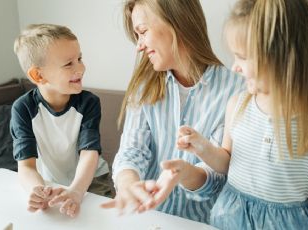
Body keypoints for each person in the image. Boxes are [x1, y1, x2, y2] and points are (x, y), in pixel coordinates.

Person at [154, 0, 308, 229]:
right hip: (230, 219)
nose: (235, 68)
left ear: (283, 59)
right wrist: (202, 147)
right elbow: (227, 162)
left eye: (242, 56)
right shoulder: (237, 106)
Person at [100, 0, 245, 224]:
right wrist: (128, 185)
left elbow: (217, 176)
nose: (139, 45)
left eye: (143, 32)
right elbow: (132, 150)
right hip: (147, 218)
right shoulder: (143, 86)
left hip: (200, 223)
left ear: (177, 23)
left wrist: (183, 174)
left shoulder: (236, 90)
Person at [11, 24, 111, 218]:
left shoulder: (89, 103)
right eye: (69, 64)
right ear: (37, 75)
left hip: (92, 179)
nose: (81, 68)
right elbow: (26, 166)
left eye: (79, 59)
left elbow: (89, 154)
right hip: (50, 183)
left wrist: (76, 191)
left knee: (98, 220)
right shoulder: (22, 109)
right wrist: (37, 189)